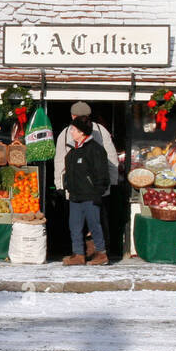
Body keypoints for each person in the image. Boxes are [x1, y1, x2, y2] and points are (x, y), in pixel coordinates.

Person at [55, 102, 118, 261]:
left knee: (95, 223)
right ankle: (79, 254)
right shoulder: (66, 134)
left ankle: (99, 252)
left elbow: (109, 159)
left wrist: (107, 185)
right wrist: (62, 184)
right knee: (76, 224)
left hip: (92, 191)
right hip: (76, 189)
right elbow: (61, 162)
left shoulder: (98, 135)